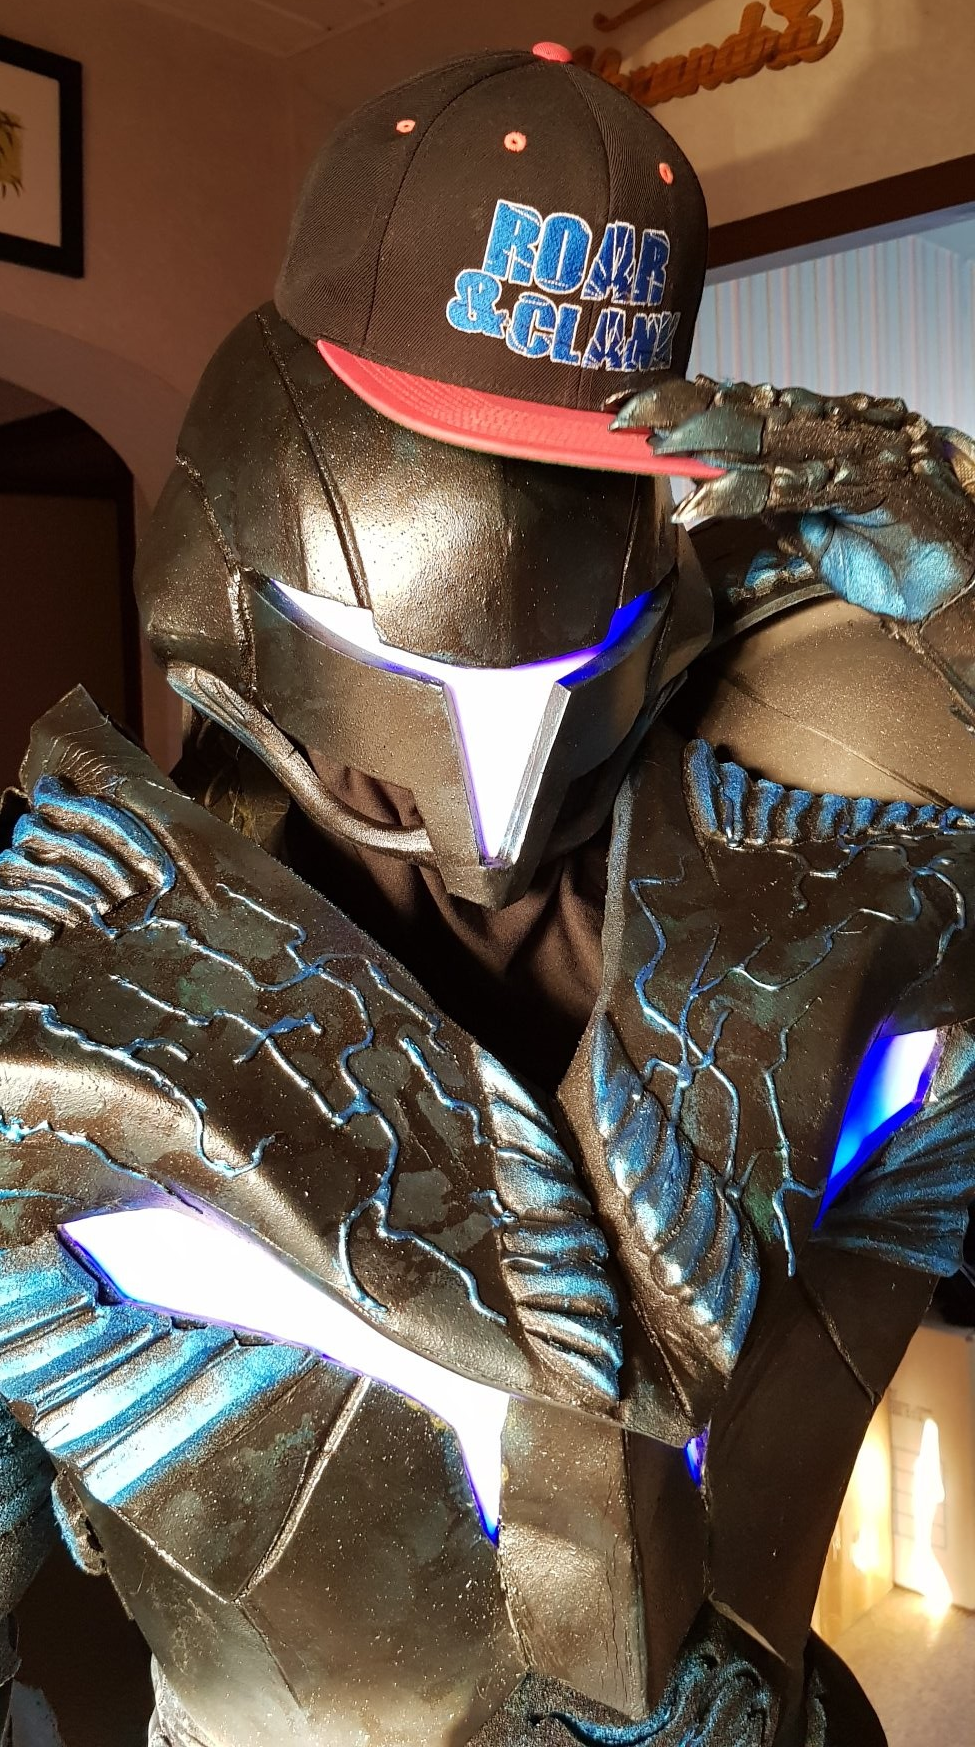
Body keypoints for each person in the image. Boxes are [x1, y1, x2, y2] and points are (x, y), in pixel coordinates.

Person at [0, 41, 973, 1747]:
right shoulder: (67, 969)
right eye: (424, 676)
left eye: (563, 675)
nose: (488, 802)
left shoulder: (806, 851)